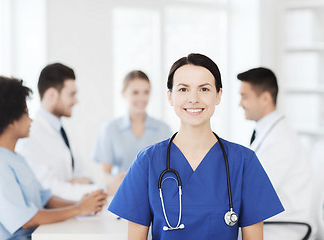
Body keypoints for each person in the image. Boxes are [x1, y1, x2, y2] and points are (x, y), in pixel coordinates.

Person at [109, 53, 284, 239]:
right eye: (183, 89)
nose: (193, 99)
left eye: (204, 89)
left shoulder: (244, 162)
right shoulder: (147, 162)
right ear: (170, 97)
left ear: (218, 95)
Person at [0, 76, 107, 240]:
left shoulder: (16, 158)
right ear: (11, 120)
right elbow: (24, 220)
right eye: (26, 113)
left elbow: (46, 198)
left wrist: (81, 204)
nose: (31, 120)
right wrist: (78, 210)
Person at [16, 63, 122, 201]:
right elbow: (48, 190)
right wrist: (105, 189)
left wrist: (72, 184)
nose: (76, 101)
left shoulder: (60, 131)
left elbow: (87, 175)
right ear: (52, 95)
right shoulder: (31, 135)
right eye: (72, 94)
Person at [237, 67, 313, 239]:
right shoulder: (269, 132)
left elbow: (254, 191)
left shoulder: (281, 141)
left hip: (282, 228)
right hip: (271, 222)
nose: (240, 104)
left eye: (244, 96)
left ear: (265, 98)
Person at [92, 70, 172, 175]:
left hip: (154, 190)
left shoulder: (163, 129)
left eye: (146, 92)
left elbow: (169, 167)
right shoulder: (110, 129)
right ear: (123, 93)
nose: (141, 98)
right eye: (135, 92)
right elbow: (105, 174)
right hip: (121, 189)